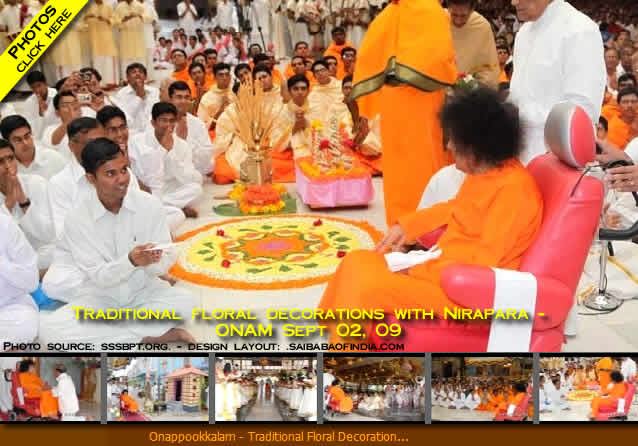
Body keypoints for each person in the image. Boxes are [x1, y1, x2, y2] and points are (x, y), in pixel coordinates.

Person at [318, 88, 543, 344]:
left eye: (453, 139)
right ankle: (339, 342)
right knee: (357, 261)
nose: (447, 146)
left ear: (476, 145)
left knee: (366, 286)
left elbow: (484, 265)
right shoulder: (491, 172)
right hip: (443, 270)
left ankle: (343, 359)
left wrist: (419, 269)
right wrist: (408, 225)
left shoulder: (515, 190)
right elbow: (457, 207)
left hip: (465, 295)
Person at [39, 138, 199, 347]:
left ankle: (123, 334)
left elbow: (166, 257)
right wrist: (131, 261)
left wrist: (153, 262)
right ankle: (152, 336)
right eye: (110, 174)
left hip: (145, 293)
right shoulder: (77, 219)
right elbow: (98, 276)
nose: (122, 179)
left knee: (190, 303)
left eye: (124, 170)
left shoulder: (148, 205)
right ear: (90, 178)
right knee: (51, 334)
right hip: (101, 300)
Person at [351, 0, 456, 226]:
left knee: (401, 170)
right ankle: (424, 226)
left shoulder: (391, 13)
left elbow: (368, 57)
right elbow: (442, 59)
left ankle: (401, 227)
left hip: (399, 102)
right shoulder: (430, 11)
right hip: (422, 101)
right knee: (422, 165)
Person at [136, 102, 203, 219]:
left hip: (171, 189)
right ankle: (174, 207)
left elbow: (186, 178)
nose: (168, 125)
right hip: (150, 189)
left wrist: (171, 153)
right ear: (153, 123)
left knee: (196, 189)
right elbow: (148, 178)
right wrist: (162, 150)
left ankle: (161, 206)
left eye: (172, 121)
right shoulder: (139, 142)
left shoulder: (182, 145)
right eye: (163, 120)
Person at [0, 138, 55, 273]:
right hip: (12, 264)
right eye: (0, 162)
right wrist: (8, 205)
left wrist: (23, 201)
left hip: (42, 255)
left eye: (10, 159)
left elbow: (48, 234)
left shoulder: (37, 183)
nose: (8, 166)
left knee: (56, 250)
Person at [0, 212, 39, 348]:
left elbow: (32, 281)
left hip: (8, 306)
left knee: (26, 324)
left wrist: (2, 264)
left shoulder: (5, 225)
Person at [168, 81, 215, 177]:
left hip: (193, 170)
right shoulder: (163, 122)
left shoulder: (198, 123)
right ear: (170, 99)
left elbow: (207, 153)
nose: (183, 101)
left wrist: (186, 146)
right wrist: (180, 140)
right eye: (179, 97)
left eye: (186, 97)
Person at [448, 0, 499, 87]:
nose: (458, 21)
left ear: (472, 10)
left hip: (467, 94)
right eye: (454, 14)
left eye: (463, 16)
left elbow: (489, 69)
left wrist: (473, 86)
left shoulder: (482, 27)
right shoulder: (439, 20)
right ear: (448, 7)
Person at [0, 115, 65, 180]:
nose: (25, 143)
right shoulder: (5, 168)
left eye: (27, 136)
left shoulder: (54, 158)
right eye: (18, 140)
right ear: (8, 142)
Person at [112, 63, 160, 135]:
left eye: (140, 72)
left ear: (145, 76)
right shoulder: (121, 94)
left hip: (153, 132)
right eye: (133, 72)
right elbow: (126, 118)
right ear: (128, 77)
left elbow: (157, 113)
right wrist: (139, 96)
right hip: (132, 135)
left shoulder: (155, 91)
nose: (137, 74)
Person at [84, 0, 120, 87]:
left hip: (107, 38)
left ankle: (111, 82)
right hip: (94, 39)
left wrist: (106, 19)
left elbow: (117, 20)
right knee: (97, 61)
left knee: (109, 60)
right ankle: (99, 84)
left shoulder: (108, 7)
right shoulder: (89, 7)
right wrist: (88, 16)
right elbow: (83, 21)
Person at [114, 0, 149, 80]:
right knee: (126, 58)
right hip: (125, 36)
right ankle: (127, 79)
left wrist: (138, 15)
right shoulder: (119, 7)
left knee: (139, 56)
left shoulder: (139, 5)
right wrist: (124, 19)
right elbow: (115, 21)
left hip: (138, 36)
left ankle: (141, 78)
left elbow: (148, 18)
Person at [198, 62, 233, 143]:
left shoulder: (237, 92)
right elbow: (203, 126)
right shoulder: (207, 98)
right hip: (215, 135)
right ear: (215, 77)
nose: (224, 78)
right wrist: (221, 109)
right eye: (221, 75)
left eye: (227, 74)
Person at [42, 91, 82, 161]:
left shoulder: (90, 124)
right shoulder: (50, 130)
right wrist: (69, 121)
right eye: (66, 105)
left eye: (74, 103)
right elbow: (53, 143)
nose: (71, 108)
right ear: (57, 113)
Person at [23, 71, 58, 141]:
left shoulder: (57, 95)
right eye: (33, 88)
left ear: (45, 83)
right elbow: (30, 128)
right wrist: (41, 114)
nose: (37, 90)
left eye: (39, 85)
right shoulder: (29, 102)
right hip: (40, 138)